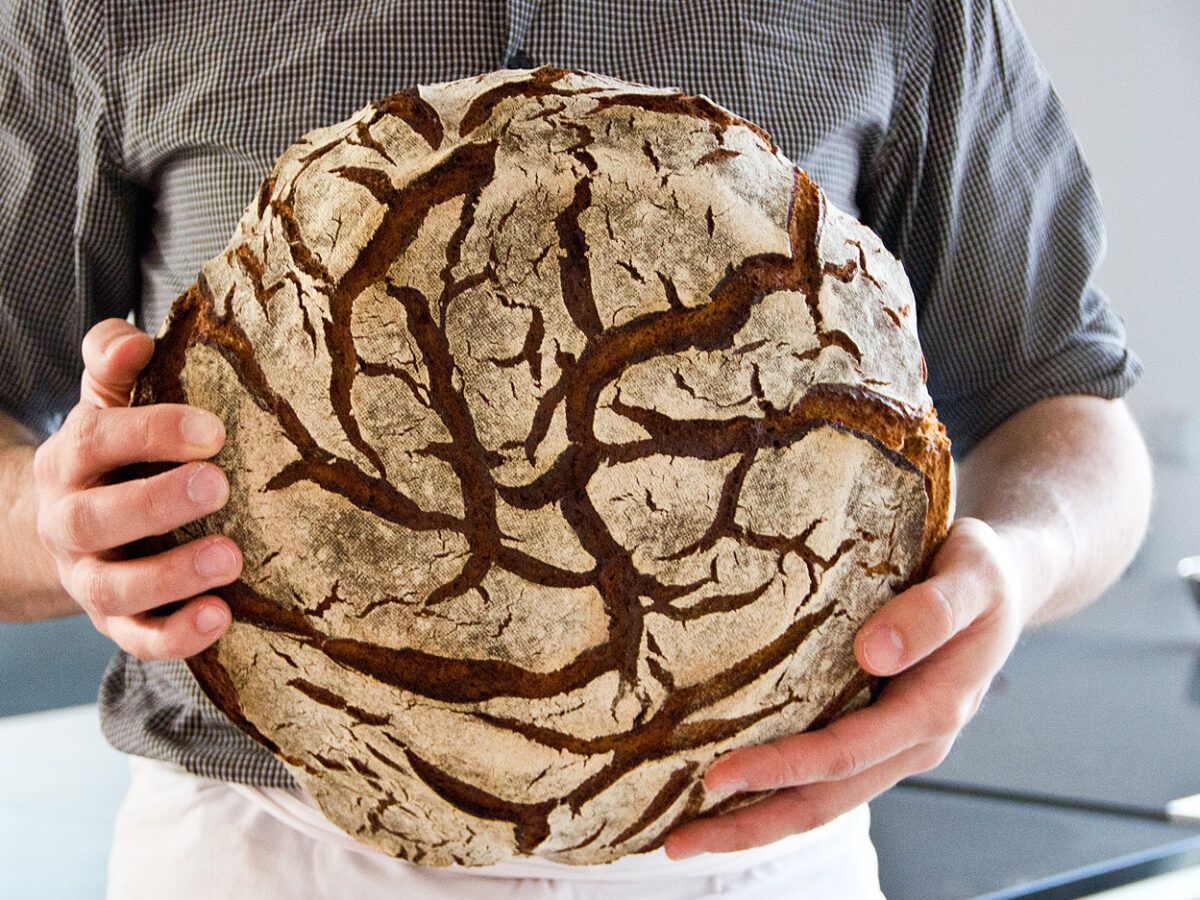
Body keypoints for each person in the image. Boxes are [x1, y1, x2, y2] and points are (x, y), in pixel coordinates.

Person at [0, 0, 1152, 897]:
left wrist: (1014, 568)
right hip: (264, 856)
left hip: (746, 852)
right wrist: (64, 533)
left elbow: (1067, 404)